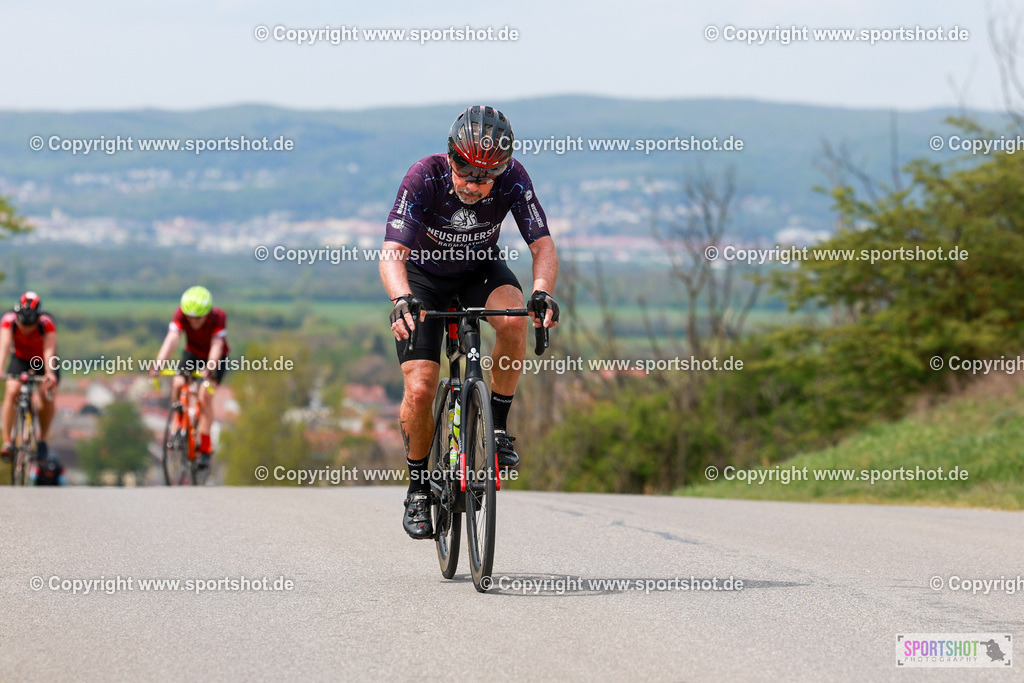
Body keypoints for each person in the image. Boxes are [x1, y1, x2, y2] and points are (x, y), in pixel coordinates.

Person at [380, 105, 560, 539]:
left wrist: (542, 292)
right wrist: (401, 297)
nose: (477, 186)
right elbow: (392, 251)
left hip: (479, 270)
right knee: (421, 385)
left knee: (514, 320)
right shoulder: (424, 176)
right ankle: (419, 485)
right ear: (451, 158)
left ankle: (497, 426)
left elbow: (543, 246)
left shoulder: (514, 177)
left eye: (487, 178)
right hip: (424, 278)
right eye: (467, 175)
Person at [151, 286, 228, 470]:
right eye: (190, 317)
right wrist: (159, 363)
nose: (193, 322)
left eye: (198, 317)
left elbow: (217, 344)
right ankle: (177, 425)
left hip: (215, 357)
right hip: (193, 354)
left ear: (208, 313)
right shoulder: (180, 314)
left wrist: (210, 368)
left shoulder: (219, 317)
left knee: (204, 396)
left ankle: (206, 448)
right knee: (178, 382)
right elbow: (172, 338)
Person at [0, 292, 59, 464]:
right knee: (12, 392)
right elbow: (3, 346)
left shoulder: (46, 324)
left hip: (43, 361)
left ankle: (41, 440)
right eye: (22, 325)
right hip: (20, 359)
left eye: (30, 326)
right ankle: (8, 443)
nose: (25, 330)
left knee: (46, 396)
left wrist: (49, 373)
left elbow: (49, 351)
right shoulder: (9, 321)